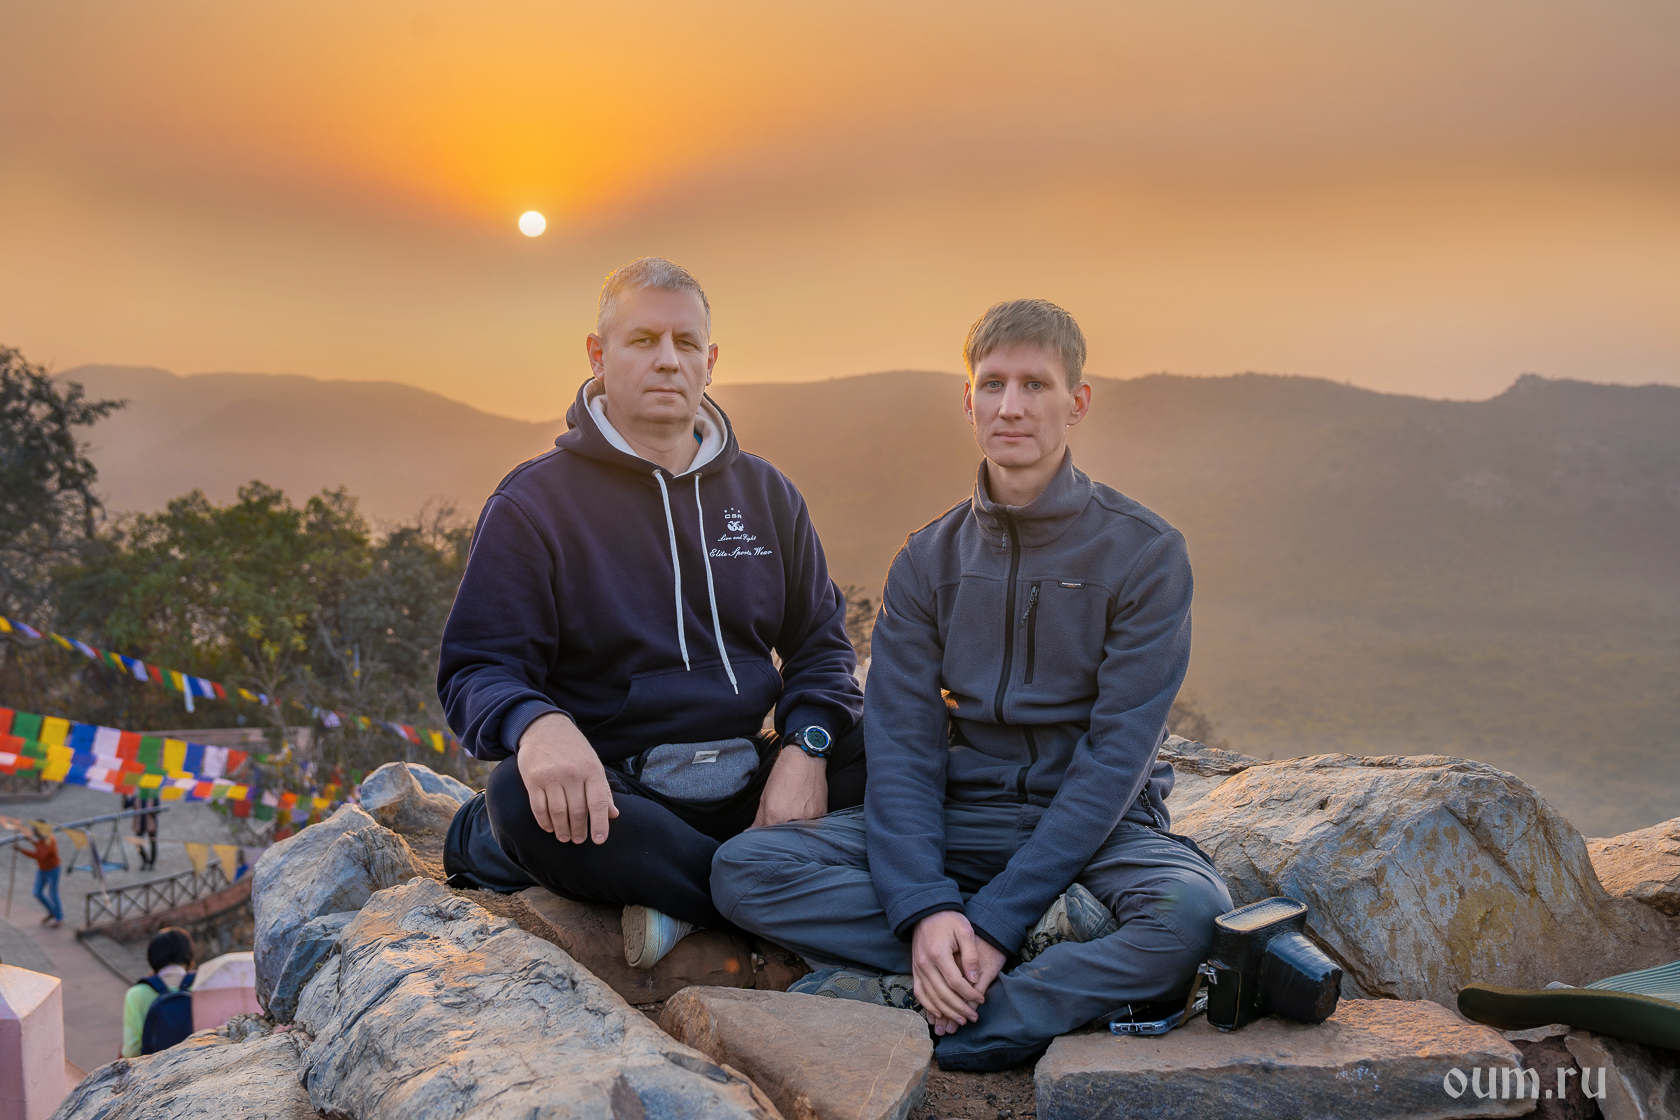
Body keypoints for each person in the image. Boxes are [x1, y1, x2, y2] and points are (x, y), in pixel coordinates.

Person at [712, 299, 1234, 1070]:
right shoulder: (927, 560)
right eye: (993, 385)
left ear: (1077, 402)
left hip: (1098, 832)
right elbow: (903, 753)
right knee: (744, 870)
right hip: (967, 819)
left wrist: (992, 924)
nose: (1011, 406)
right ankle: (1019, 967)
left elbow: (1115, 761)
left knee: (1194, 916)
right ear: (968, 401)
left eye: (1035, 385)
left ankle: (941, 1018)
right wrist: (926, 908)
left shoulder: (1145, 554)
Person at [438, 257, 865, 969]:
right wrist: (538, 724)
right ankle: (766, 889)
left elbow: (821, 649)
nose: (668, 360)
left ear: (710, 362)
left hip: (748, 779)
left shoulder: (767, 495)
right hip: (616, 790)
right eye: (642, 341)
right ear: (598, 356)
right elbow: (478, 667)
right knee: (517, 799)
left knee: (900, 745)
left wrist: (807, 749)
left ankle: (686, 896)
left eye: (685, 343)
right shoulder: (534, 503)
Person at [121, 926, 196, 1057]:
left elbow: (130, 1051)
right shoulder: (202, 984)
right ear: (189, 955)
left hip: (156, 1067)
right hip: (198, 1062)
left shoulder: (136, 994)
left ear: (152, 958)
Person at [18, 823, 63, 928]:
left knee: (53, 894)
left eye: (36, 831)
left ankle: (59, 917)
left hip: (53, 870)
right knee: (37, 893)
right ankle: (52, 912)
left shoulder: (50, 840)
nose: (35, 833)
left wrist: (21, 850)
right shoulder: (42, 839)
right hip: (42, 870)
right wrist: (31, 841)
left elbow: (39, 855)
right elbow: (40, 846)